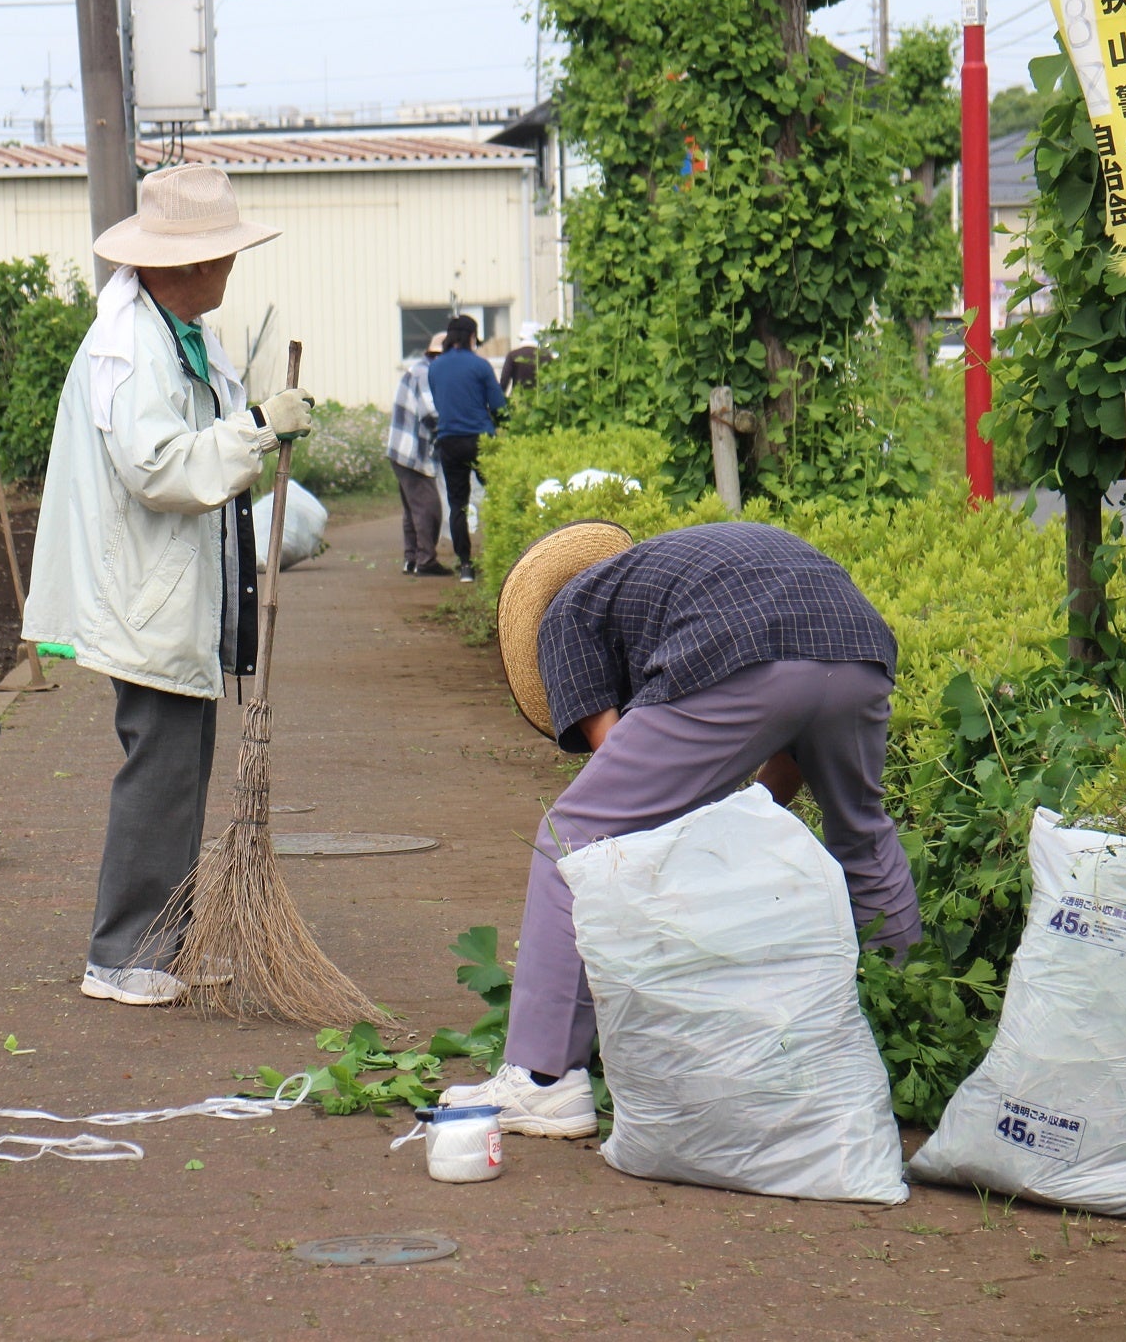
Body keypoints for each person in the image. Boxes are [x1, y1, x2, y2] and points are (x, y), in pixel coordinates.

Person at [440, 519, 920, 1137]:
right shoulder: (674, 576)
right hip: (857, 649)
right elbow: (780, 770)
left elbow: (620, 814)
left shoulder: (562, 615)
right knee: (862, 835)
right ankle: (912, 1030)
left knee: (570, 837)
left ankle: (542, 1079)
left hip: (741, 656)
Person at [21, 165, 313, 1007]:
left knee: (183, 763)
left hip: (173, 584)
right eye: (222, 254)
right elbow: (156, 468)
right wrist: (257, 429)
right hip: (142, 587)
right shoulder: (131, 345)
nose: (231, 269)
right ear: (182, 264)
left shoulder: (177, 331)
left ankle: (166, 942)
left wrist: (251, 426)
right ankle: (122, 953)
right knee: (158, 766)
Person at [424, 313, 505, 583]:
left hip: (449, 440)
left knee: (458, 504)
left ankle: (466, 565)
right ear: (472, 336)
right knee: (497, 496)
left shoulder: (434, 367)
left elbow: (438, 403)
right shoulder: (480, 366)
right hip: (480, 439)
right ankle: (501, 556)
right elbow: (498, 405)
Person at [387, 331, 450, 577]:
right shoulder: (426, 373)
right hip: (413, 452)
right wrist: (450, 431)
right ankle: (425, 559)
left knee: (413, 509)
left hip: (402, 451)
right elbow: (430, 412)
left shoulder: (419, 369)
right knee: (428, 508)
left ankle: (411, 559)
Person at [500, 321, 543, 392]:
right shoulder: (546, 355)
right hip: (541, 399)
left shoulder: (513, 355)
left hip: (518, 399)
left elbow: (504, 381)